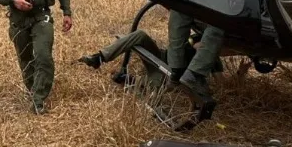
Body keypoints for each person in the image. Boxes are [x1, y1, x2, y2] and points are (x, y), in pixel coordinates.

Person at [79, 27, 222, 91]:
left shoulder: (211, 56)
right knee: (140, 35)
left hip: (168, 75)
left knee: (158, 86)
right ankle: (99, 57)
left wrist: (240, 74)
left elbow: (221, 82)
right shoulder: (195, 34)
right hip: (160, 56)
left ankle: (131, 81)